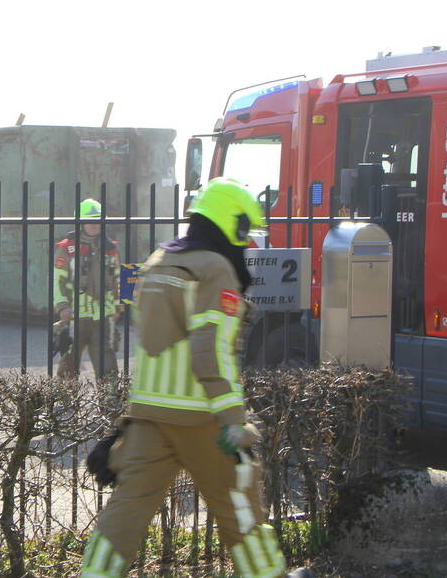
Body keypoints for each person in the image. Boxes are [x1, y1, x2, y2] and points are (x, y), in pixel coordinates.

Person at [79, 177, 311, 578]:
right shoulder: (215, 268)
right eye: (243, 231)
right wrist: (234, 422)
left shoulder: (158, 261)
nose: (244, 243)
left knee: (126, 511)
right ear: (231, 224)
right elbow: (210, 353)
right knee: (239, 502)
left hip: (149, 415)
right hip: (200, 417)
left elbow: (152, 341)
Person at [54, 198, 121, 379]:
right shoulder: (66, 248)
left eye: (97, 220)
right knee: (69, 363)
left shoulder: (109, 248)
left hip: (104, 315)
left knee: (108, 365)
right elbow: (58, 280)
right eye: (89, 220)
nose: (94, 224)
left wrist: (117, 305)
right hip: (75, 315)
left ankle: (110, 406)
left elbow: (116, 277)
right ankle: (66, 405)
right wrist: (62, 307)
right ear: (80, 222)